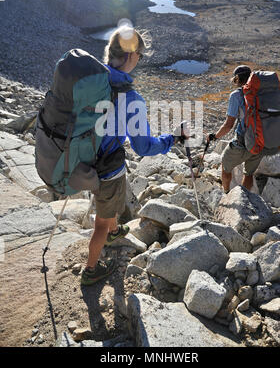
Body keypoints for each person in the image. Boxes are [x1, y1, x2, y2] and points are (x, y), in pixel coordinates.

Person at [81, 26, 188, 286]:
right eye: (139, 55)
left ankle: (116, 230)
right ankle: (91, 270)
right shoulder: (132, 99)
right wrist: (171, 140)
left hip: (84, 161)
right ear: (130, 56)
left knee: (109, 207)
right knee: (99, 225)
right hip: (108, 169)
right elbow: (143, 147)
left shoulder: (91, 80)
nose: (139, 60)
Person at [207, 65, 265, 194]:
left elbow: (228, 125)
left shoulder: (236, 95)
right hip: (260, 141)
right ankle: (244, 197)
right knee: (249, 173)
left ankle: (227, 193)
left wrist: (215, 136)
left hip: (241, 142)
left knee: (225, 166)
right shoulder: (262, 93)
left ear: (237, 79)